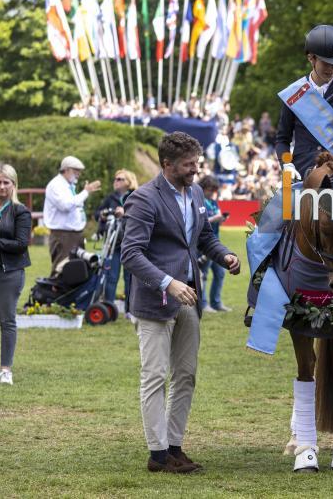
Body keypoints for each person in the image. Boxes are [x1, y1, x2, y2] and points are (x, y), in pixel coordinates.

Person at [121, 132, 241, 474]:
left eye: (197, 163)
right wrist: (168, 283)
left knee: (186, 375)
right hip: (156, 301)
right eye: (189, 165)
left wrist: (225, 256)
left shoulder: (198, 192)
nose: (195, 170)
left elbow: (203, 236)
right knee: (155, 376)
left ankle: (175, 446)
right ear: (166, 165)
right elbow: (130, 254)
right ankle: (158, 455)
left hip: (189, 297)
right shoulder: (143, 199)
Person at [274, 24, 333, 179]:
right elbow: (282, 139)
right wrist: (286, 164)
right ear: (311, 58)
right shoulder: (294, 93)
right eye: (327, 63)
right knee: (278, 203)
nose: (332, 69)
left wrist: (332, 167)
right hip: (301, 171)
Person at [0, 164, 31, 386]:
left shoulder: (20, 211)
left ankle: (6, 370)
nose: (1, 186)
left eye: (6, 182)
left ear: (14, 185)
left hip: (9, 272)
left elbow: (21, 245)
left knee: (7, 320)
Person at [43, 156, 101, 276]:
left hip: (73, 235)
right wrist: (86, 192)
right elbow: (66, 205)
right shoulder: (56, 185)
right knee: (62, 271)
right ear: (66, 169)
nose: (79, 174)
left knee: (76, 272)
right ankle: (55, 295)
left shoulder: (67, 185)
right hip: (63, 236)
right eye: (76, 171)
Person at [94, 170, 138, 306]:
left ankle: (130, 309)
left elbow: (141, 215)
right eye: (115, 179)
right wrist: (102, 215)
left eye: (120, 179)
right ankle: (109, 306)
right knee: (111, 276)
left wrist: (125, 213)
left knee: (129, 277)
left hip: (131, 243)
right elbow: (97, 214)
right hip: (113, 244)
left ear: (129, 182)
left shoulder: (136, 197)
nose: (116, 181)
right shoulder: (110, 198)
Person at [196, 175, 229, 312]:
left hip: (216, 242)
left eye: (214, 190)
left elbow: (217, 218)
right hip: (203, 243)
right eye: (210, 190)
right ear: (203, 188)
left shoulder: (213, 201)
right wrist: (214, 218)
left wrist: (221, 219)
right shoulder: (198, 201)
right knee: (203, 274)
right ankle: (203, 304)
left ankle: (216, 302)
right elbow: (198, 222)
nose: (212, 193)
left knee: (220, 272)